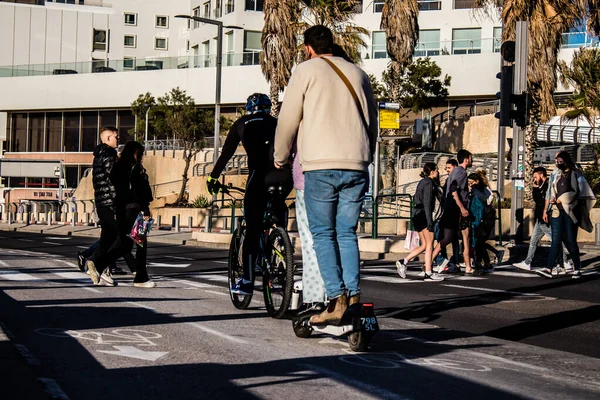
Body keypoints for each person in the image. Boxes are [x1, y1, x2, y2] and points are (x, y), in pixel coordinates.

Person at [274, 25, 377, 325]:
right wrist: (364, 156)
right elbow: (371, 122)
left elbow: (288, 118)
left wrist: (280, 157)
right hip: (357, 164)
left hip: (321, 164)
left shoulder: (305, 71)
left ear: (308, 48)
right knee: (347, 232)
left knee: (323, 233)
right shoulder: (359, 73)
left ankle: (336, 300)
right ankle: (355, 298)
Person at [207, 93, 291, 295]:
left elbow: (227, 153)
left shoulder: (242, 123)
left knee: (253, 228)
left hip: (259, 176)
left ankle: (247, 281)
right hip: (285, 176)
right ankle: (281, 245)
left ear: (248, 108)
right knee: (278, 205)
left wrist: (213, 178)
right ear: (267, 107)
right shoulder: (277, 122)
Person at [111, 141, 156, 288]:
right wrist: (145, 210)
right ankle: (98, 263)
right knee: (138, 243)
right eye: (140, 153)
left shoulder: (119, 167)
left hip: (124, 208)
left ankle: (99, 263)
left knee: (126, 242)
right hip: (134, 209)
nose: (142, 156)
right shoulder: (133, 168)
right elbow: (139, 191)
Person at [537, 151, 585, 279]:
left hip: (569, 211)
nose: (558, 163)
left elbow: (576, 192)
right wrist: (549, 206)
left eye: (560, 161)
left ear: (566, 160)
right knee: (555, 240)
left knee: (570, 240)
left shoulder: (574, 173)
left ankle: (577, 267)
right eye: (557, 161)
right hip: (556, 211)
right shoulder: (556, 175)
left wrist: (561, 199)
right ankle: (549, 269)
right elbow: (551, 192)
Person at [513, 166, 570, 271]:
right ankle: (527, 262)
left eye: (535, 176)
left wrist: (545, 213)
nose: (534, 179)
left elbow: (544, 201)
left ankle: (565, 262)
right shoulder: (542, 186)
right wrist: (535, 188)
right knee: (534, 241)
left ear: (541, 175)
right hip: (540, 218)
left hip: (545, 218)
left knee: (555, 240)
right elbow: (537, 200)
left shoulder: (547, 186)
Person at [396, 163, 444, 281]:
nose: (438, 173)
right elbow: (427, 203)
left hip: (417, 214)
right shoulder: (428, 183)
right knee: (430, 243)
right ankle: (428, 272)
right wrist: (429, 222)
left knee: (424, 245)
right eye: (437, 170)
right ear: (432, 172)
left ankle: (404, 261)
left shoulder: (422, 182)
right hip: (423, 215)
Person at [292, 143, 327, 304]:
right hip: (351, 172)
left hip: (310, 177)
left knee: (311, 242)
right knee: (344, 237)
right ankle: (347, 294)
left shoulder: (307, 116)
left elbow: (286, 132)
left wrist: (280, 157)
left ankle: (315, 300)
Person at [85, 126, 120, 286]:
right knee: (120, 238)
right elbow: (114, 181)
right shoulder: (110, 155)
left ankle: (97, 267)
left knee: (107, 236)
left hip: (101, 202)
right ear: (107, 139)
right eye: (115, 137)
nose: (118, 139)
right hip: (110, 202)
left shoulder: (98, 156)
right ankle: (97, 264)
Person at [432, 149, 474, 274]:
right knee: (466, 238)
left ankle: (428, 261)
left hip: (450, 209)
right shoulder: (461, 173)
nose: (472, 161)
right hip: (458, 210)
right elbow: (453, 189)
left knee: (447, 238)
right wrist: (462, 208)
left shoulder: (454, 172)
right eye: (471, 158)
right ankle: (468, 267)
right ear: (466, 159)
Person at [468, 171, 503, 271]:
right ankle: (486, 262)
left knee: (479, 241)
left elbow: (487, 200)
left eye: (472, 182)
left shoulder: (481, 190)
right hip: (480, 218)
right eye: (469, 183)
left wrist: (473, 190)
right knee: (479, 241)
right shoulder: (478, 189)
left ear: (477, 181)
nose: (470, 185)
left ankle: (482, 261)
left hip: (485, 218)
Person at [436, 158, 461, 272]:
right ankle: (444, 260)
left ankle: (455, 261)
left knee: (453, 238)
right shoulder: (448, 180)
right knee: (444, 237)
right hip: (446, 213)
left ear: (455, 167)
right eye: (446, 168)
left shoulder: (457, 179)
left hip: (454, 212)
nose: (447, 171)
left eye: (449, 168)